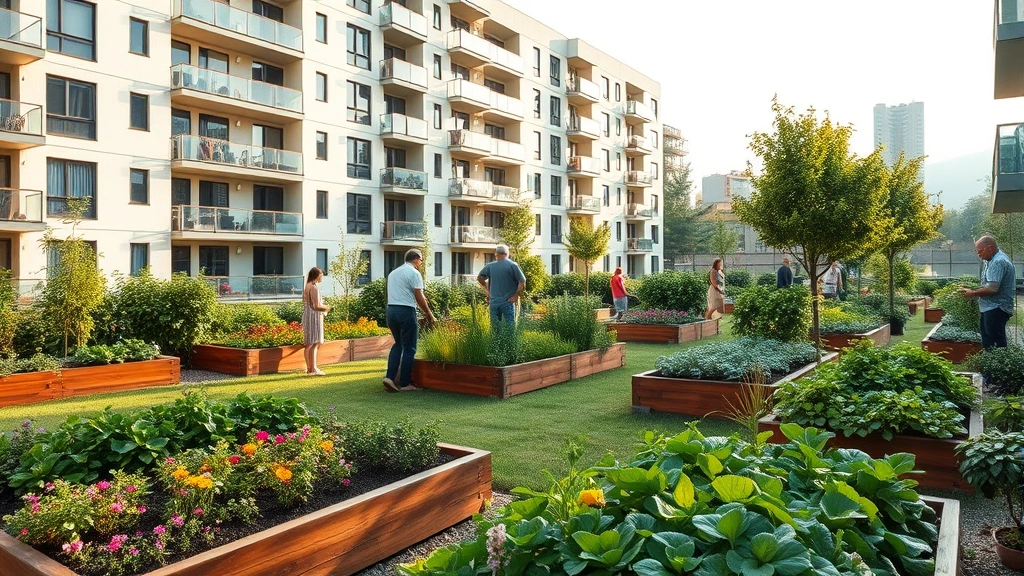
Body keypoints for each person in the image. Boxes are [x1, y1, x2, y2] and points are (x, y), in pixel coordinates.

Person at [383, 249, 437, 392]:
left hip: (391, 311)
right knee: (410, 348)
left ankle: (389, 377)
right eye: (422, 260)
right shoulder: (414, 273)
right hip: (406, 311)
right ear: (417, 258)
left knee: (398, 344)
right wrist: (429, 314)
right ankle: (405, 383)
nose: (421, 263)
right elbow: (419, 296)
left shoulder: (393, 273)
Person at [960, 235, 1016, 349]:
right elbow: (988, 283)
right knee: (988, 341)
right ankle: (991, 364)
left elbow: (992, 288)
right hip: (990, 307)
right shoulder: (991, 260)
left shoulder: (998, 262)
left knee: (995, 343)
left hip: (997, 308)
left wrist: (973, 293)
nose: (979, 255)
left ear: (989, 248)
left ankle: (998, 365)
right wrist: (971, 287)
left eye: (980, 252)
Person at [477, 244, 526, 330]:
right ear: (507, 253)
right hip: (508, 302)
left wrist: (487, 291)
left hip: (494, 302)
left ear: (496, 254)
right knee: (510, 329)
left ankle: (497, 344)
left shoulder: (490, 266)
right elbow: (522, 281)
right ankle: (510, 343)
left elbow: (480, 278)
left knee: (495, 330)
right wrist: (516, 295)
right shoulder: (512, 265)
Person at [302, 267, 331, 376]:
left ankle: (309, 368)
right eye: (321, 274)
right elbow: (316, 305)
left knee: (309, 343)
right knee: (314, 342)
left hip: (308, 315)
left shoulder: (307, 285)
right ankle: (313, 368)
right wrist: (327, 308)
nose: (322, 277)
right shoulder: (313, 287)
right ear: (317, 275)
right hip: (314, 316)